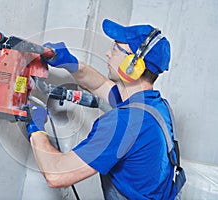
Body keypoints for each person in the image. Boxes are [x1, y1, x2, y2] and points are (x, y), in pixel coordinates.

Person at [25, 19, 177, 199]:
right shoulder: (154, 106)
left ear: (133, 66)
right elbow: (100, 86)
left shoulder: (123, 123)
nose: (107, 53)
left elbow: (56, 175)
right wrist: (71, 63)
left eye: (115, 48)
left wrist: (35, 128)